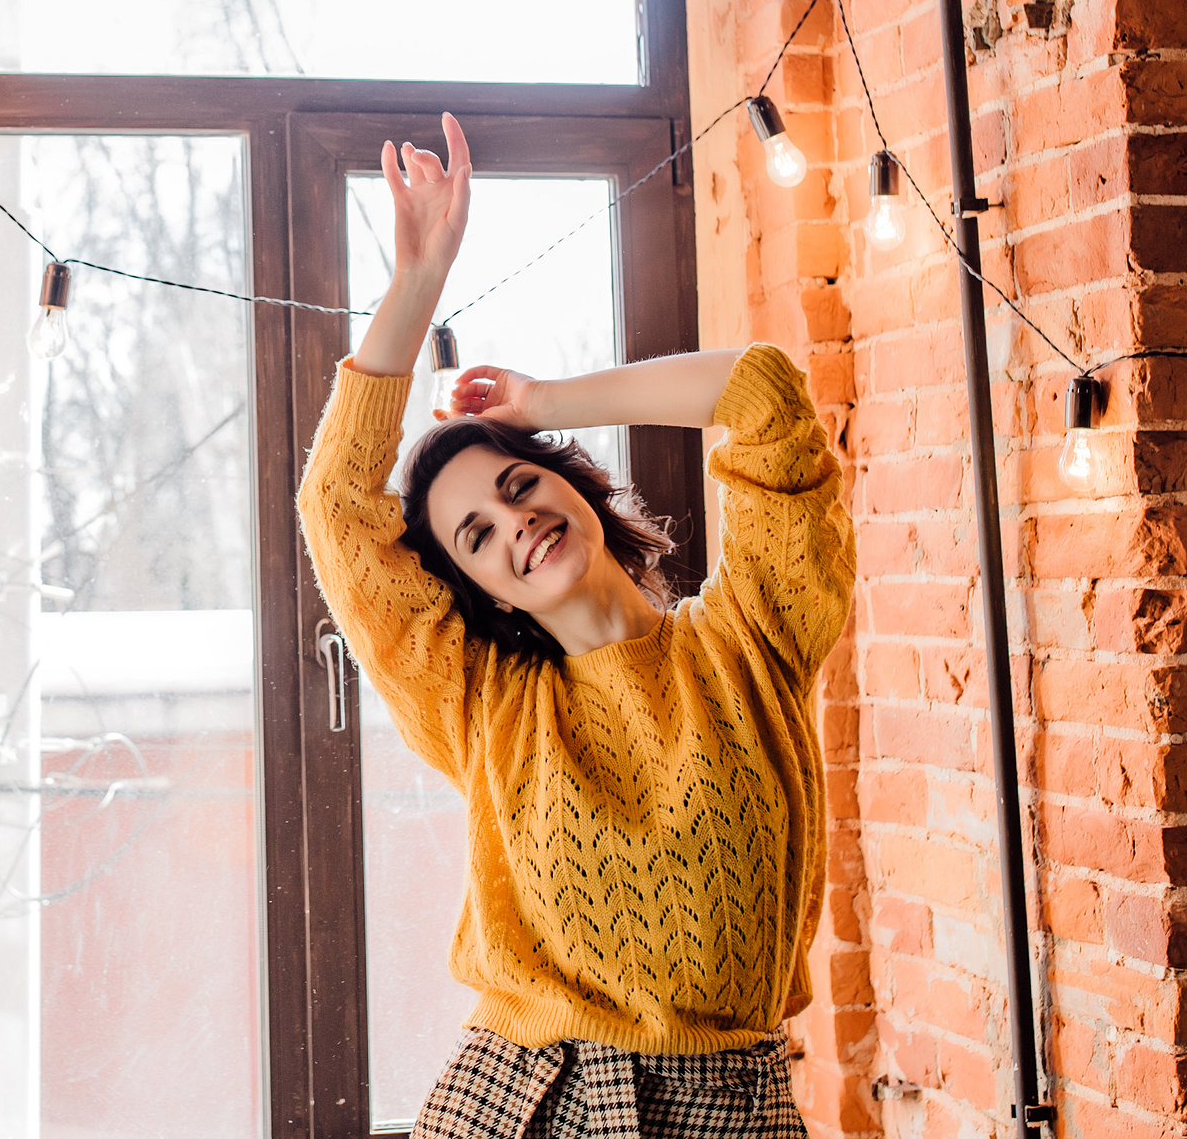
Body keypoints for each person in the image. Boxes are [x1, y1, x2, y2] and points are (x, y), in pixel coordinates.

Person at [296, 113, 853, 1139]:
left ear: (574, 483)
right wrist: (417, 280)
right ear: (483, 590)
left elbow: (767, 398)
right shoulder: (483, 704)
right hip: (520, 1099)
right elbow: (335, 506)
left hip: (729, 1103)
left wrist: (546, 395)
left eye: (519, 482)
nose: (515, 520)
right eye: (477, 531)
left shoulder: (751, 643)